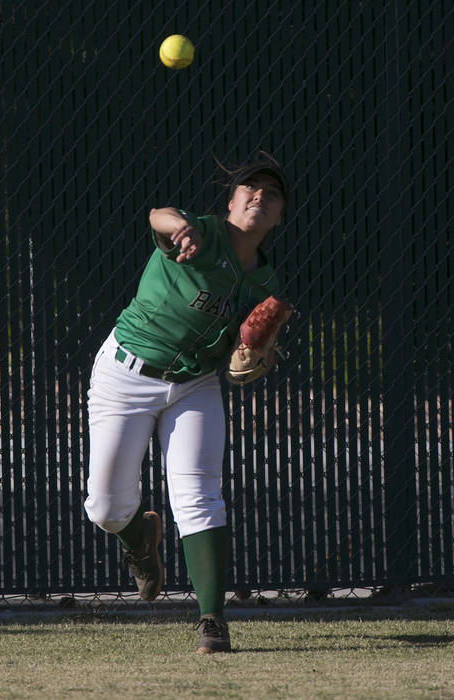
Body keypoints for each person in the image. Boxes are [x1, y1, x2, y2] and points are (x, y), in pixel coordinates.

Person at [82, 152, 289, 654]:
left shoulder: (266, 284)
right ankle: (140, 542)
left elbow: (248, 353)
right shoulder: (201, 232)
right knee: (105, 506)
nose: (258, 196)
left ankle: (212, 620)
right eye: (249, 189)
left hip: (194, 386)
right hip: (125, 372)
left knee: (198, 496)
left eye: (271, 194)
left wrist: (253, 356)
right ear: (231, 201)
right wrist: (179, 230)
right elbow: (159, 214)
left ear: (280, 216)